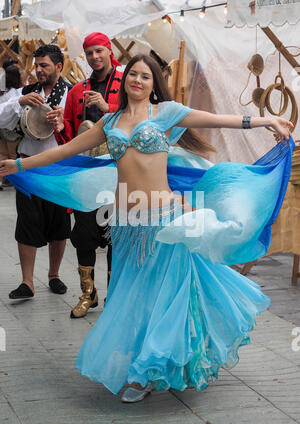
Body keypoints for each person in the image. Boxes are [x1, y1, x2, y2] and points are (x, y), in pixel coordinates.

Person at [0, 54, 293, 403]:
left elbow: (222, 120)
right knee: (132, 298)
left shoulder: (166, 112)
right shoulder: (110, 121)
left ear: (154, 83)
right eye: (132, 75)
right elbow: (64, 152)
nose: (137, 80)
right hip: (128, 225)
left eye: (145, 76)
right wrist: (19, 163)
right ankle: (145, 367)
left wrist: (266, 120)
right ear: (125, 81)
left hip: (165, 221)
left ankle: (148, 374)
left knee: (164, 296)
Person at [54, 32, 123, 319]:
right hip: (85, 177)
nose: (94, 57)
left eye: (99, 51)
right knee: (84, 236)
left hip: (118, 175)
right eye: (89, 53)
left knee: (115, 237)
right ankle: (88, 294)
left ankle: (114, 297)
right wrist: (59, 126)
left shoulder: (125, 85)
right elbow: (71, 137)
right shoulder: (76, 91)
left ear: (108, 51)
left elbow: (140, 122)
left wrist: (110, 110)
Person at [0, 45, 72, 299]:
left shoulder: (71, 94)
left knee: (59, 223)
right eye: (36, 65)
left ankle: (54, 275)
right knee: (27, 221)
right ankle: (27, 282)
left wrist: (64, 123)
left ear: (59, 67)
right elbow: (1, 118)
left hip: (59, 167)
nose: (38, 70)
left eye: (44, 65)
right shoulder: (27, 91)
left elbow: (83, 131)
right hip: (27, 163)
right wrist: (19, 101)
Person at [0, 64, 25, 190]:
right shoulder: (16, 92)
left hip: (0, 127)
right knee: (13, 155)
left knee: (2, 154)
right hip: (11, 128)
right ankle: (14, 179)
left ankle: (3, 180)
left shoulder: (2, 91)